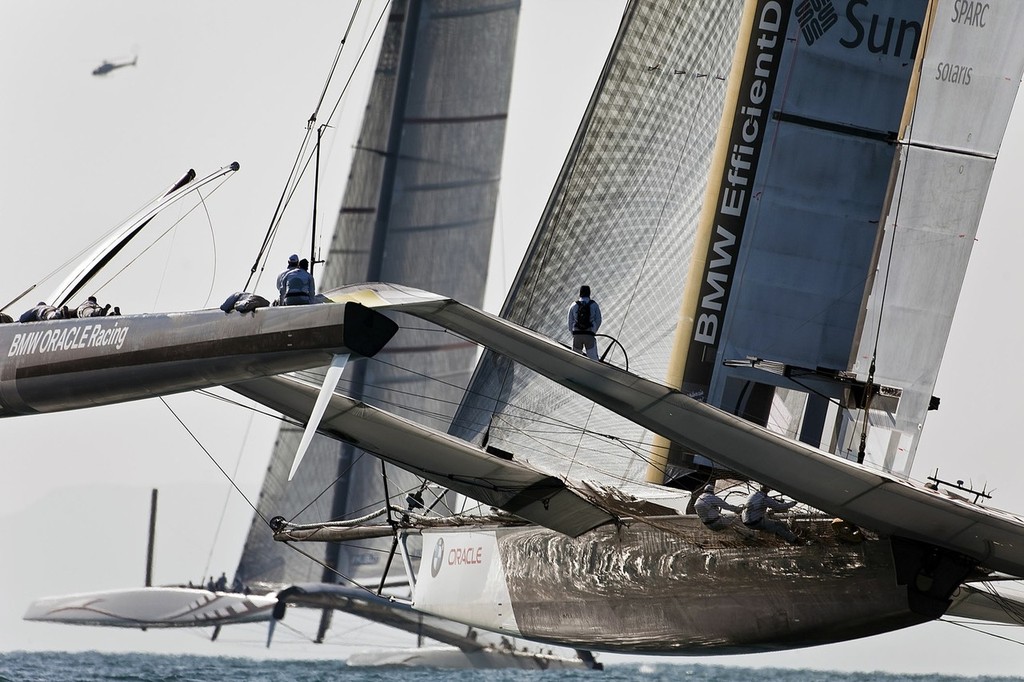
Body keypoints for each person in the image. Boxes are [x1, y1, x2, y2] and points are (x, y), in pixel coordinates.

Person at [567, 285, 602, 359]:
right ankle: (594, 370)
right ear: (589, 293)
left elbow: (570, 322)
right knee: (593, 359)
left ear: (580, 293)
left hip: (577, 335)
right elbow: (599, 320)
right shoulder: (594, 305)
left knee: (575, 358)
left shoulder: (574, 305)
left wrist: (573, 333)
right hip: (589, 334)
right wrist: (593, 331)